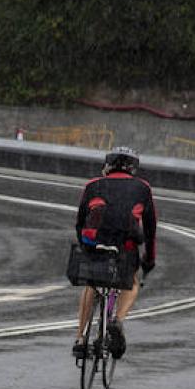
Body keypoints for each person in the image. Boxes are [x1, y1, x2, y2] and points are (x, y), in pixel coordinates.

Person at [71, 147, 157, 359]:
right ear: (133, 168)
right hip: (124, 247)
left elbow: (80, 222)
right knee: (132, 282)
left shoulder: (92, 185)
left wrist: (85, 247)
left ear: (107, 165)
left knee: (92, 283)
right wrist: (149, 259)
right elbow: (150, 229)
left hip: (95, 244)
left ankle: (80, 338)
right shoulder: (142, 188)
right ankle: (117, 320)